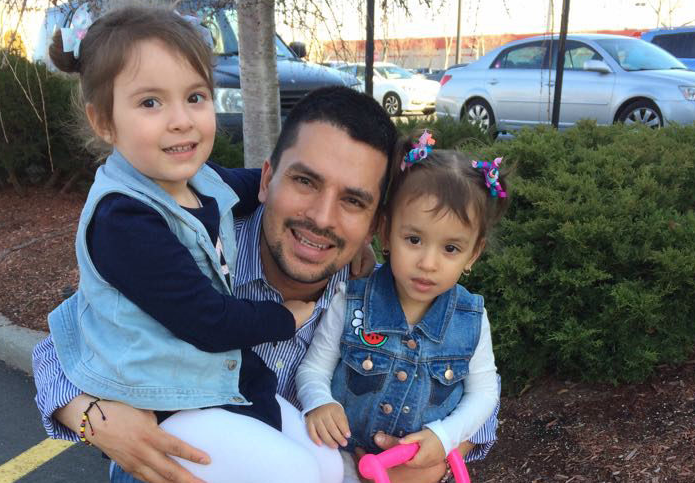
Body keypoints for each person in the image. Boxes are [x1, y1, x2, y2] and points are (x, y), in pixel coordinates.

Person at [33, 85, 500, 482]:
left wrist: (433, 460)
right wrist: (95, 419)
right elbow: (66, 341)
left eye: (352, 202)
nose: (320, 218)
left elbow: (470, 394)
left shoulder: (373, 298)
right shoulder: (199, 247)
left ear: (376, 222)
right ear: (267, 178)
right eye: (305, 181)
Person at [41, 4, 342, 481]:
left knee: (329, 465)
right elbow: (208, 320)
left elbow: (265, 185)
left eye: (196, 97)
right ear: (103, 121)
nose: (181, 120)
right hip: (167, 406)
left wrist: (314, 189)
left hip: (226, 387)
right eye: (151, 103)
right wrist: (288, 316)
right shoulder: (124, 221)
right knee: (297, 474)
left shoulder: (198, 182)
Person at [296, 135, 508, 482]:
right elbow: (313, 369)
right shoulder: (351, 302)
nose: (428, 263)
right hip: (343, 465)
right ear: (385, 232)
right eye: (414, 240)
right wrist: (319, 402)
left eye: (451, 248)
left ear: (473, 254)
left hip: (419, 469)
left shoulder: (470, 318)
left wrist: (445, 437)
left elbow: (484, 394)